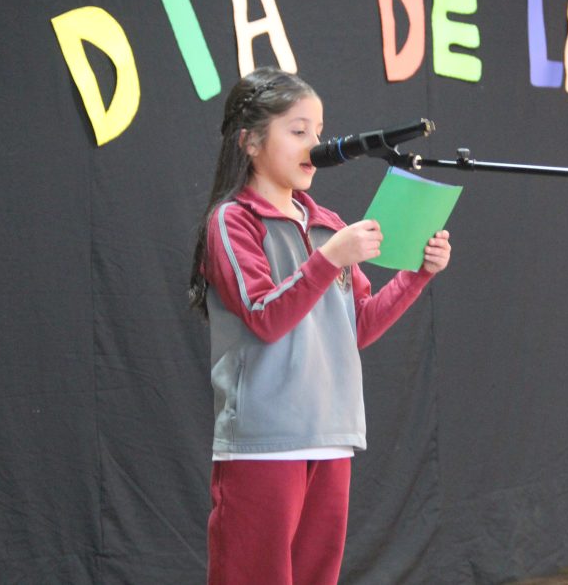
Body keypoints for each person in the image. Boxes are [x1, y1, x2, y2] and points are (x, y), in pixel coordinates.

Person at [188, 66, 451, 584]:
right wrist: (329, 259)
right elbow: (264, 316)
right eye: (297, 130)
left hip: (332, 435)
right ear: (250, 142)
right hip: (264, 440)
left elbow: (358, 327)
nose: (315, 144)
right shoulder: (233, 221)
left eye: (319, 130)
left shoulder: (328, 224)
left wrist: (417, 274)